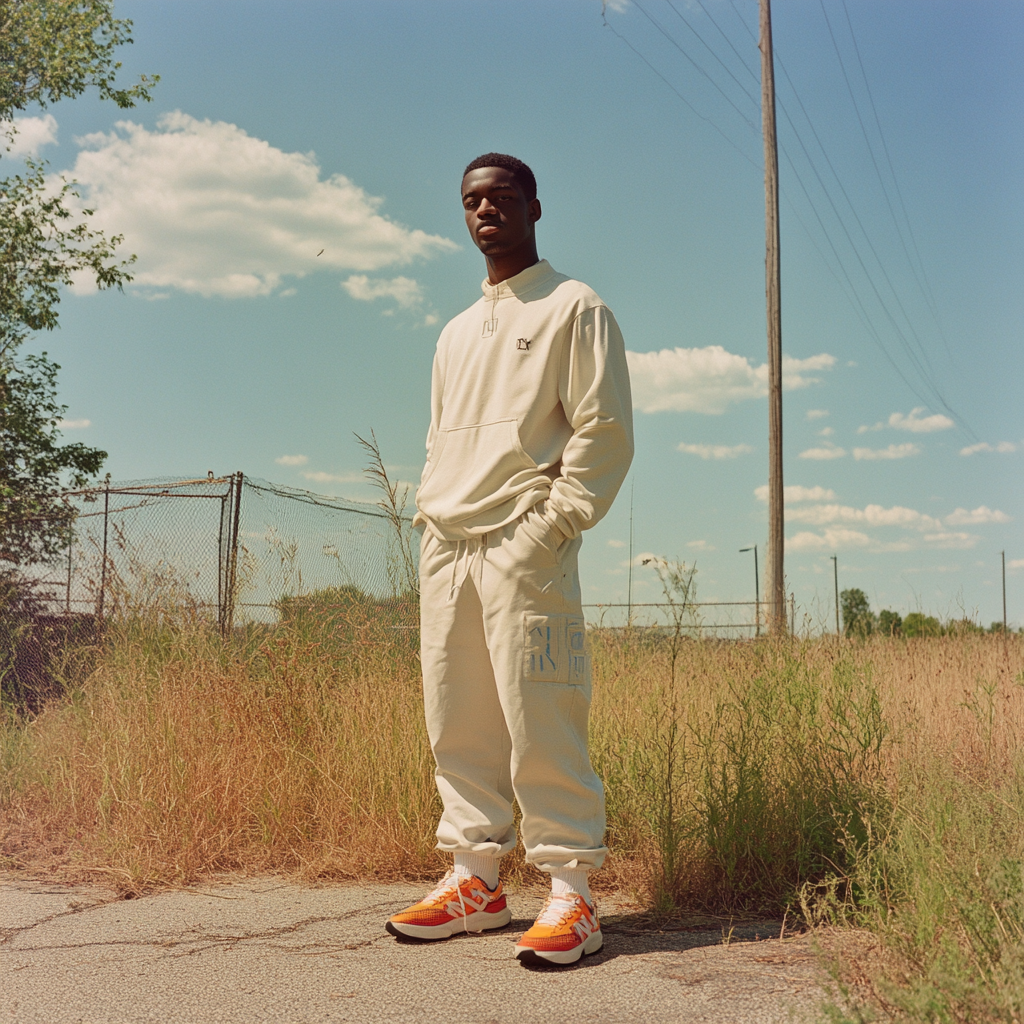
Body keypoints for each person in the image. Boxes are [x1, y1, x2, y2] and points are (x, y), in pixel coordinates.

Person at [385, 153, 633, 966]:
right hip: (447, 540)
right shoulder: (456, 331)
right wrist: (431, 518)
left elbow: (603, 429)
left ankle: (571, 892)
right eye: (471, 201)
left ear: (533, 206)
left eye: (500, 197)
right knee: (456, 715)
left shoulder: (574, 305)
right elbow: (438, 434)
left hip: (524, 538)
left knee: (542, 711)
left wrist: (555, 522)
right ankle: (475, 881)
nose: (485, 210)